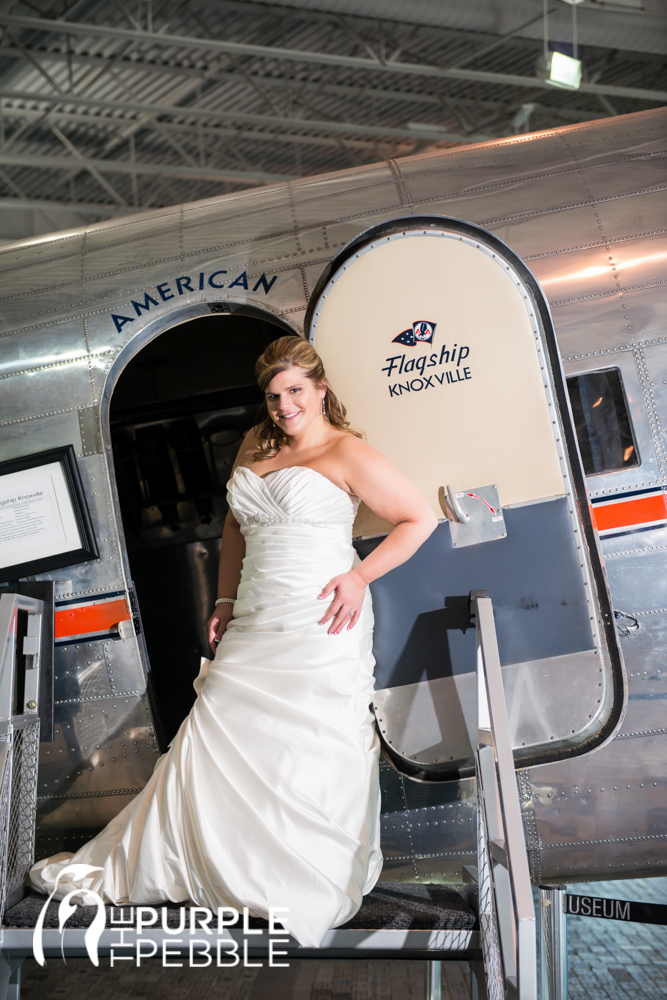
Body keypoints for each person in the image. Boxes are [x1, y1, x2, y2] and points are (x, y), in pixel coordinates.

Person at [30, 335, 437, 948]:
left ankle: (296, 876)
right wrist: (223, 600)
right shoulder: (256, 444)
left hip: (318, 618)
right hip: (255, 614)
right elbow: (235, 528)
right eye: (273, 395)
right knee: (219, 732)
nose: (284, 405)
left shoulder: (347, 452)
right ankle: (210, 866)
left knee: (308, 743)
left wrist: (359, 575)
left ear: (321, 389)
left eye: (295, 391)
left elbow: (418, 518)